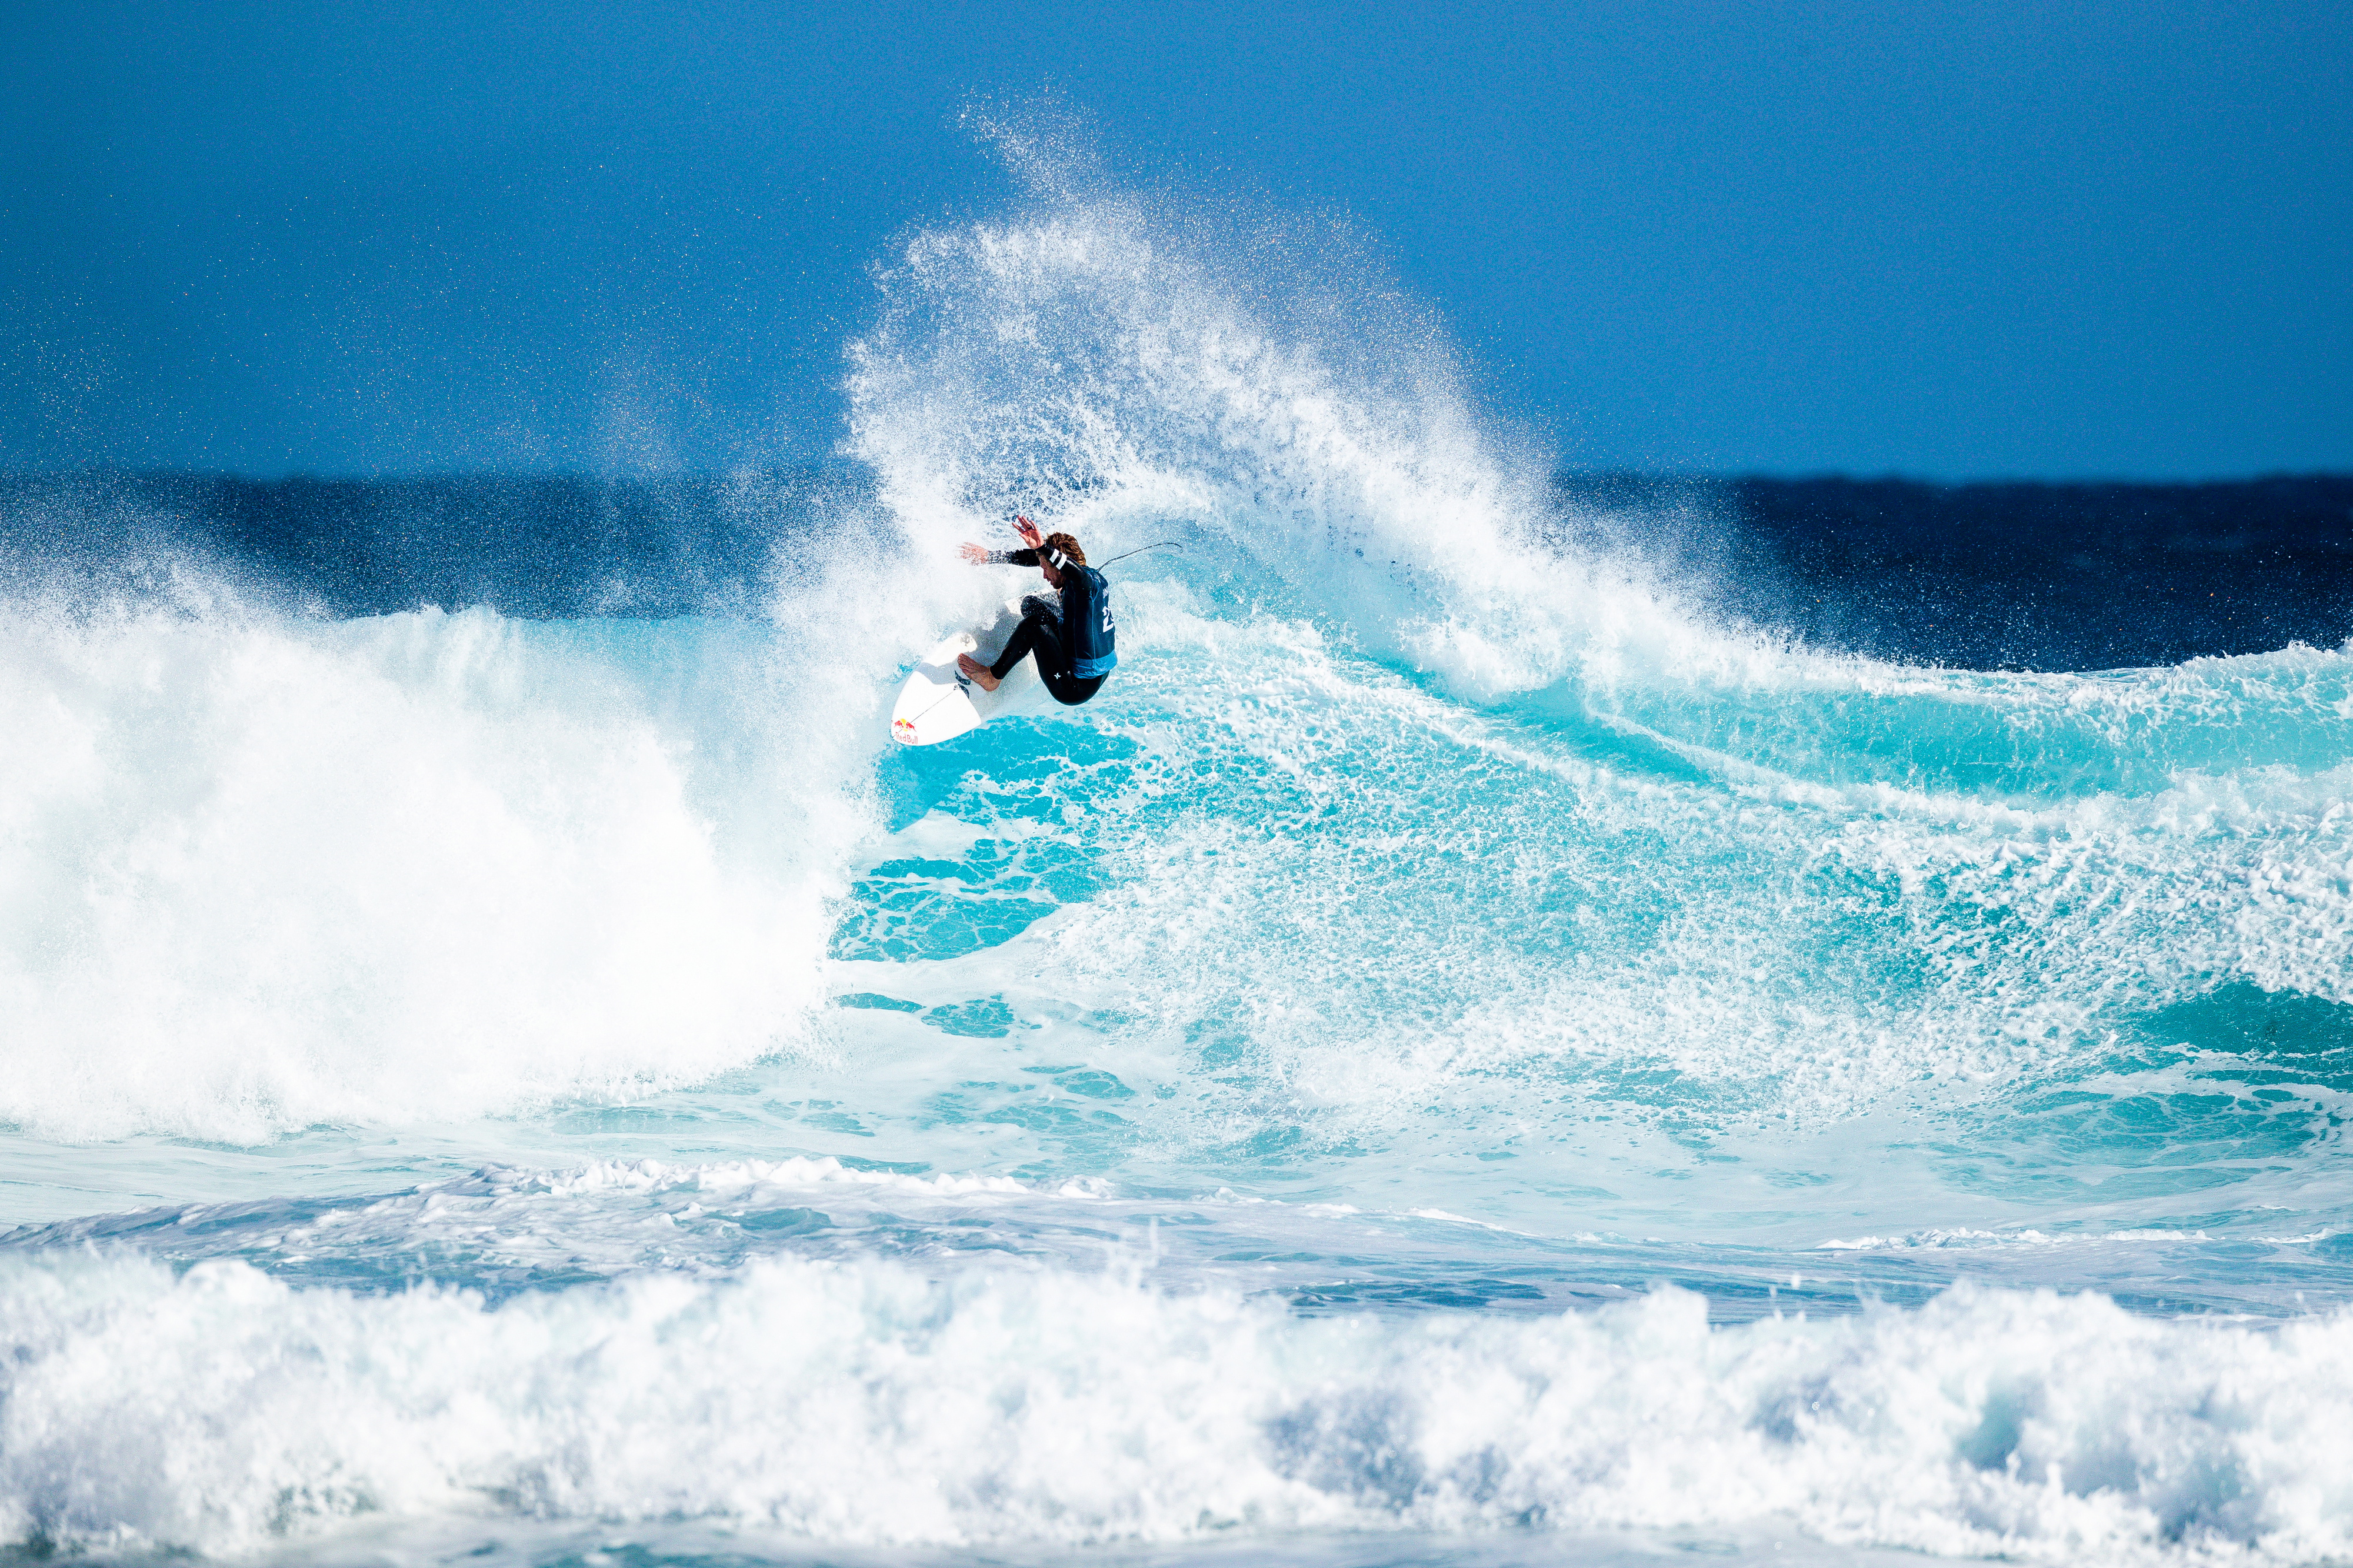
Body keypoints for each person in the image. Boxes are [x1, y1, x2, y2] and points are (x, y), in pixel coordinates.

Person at [956, 516, 1116, 705]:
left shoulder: (1084, 584)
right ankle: (1040, 644)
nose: (1044, 575)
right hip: (1099, 670)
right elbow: (1034, 559)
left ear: (1061, 567)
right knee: (1030, 604)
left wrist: (1043, 547)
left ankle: (992, 677)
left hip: (1076, 687)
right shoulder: (1095, 577)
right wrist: (990, 556)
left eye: (1047, 569)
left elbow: (1073, 573)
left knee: (1033, 627)